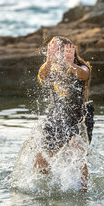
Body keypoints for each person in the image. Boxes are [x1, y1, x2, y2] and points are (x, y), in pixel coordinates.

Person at [34, 36, 94, 192]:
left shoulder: (81, 66)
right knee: (42, 159)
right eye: (55, 50)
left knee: (77, 152)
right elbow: (42, 75)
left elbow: (83, 74)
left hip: (79, 118)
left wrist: (70, 64)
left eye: (62, 49)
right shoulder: (51, 69)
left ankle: (82, 192)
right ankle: (42, 189)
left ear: (71, 51)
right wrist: (48, 61)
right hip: (56, 118)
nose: (59, 53)